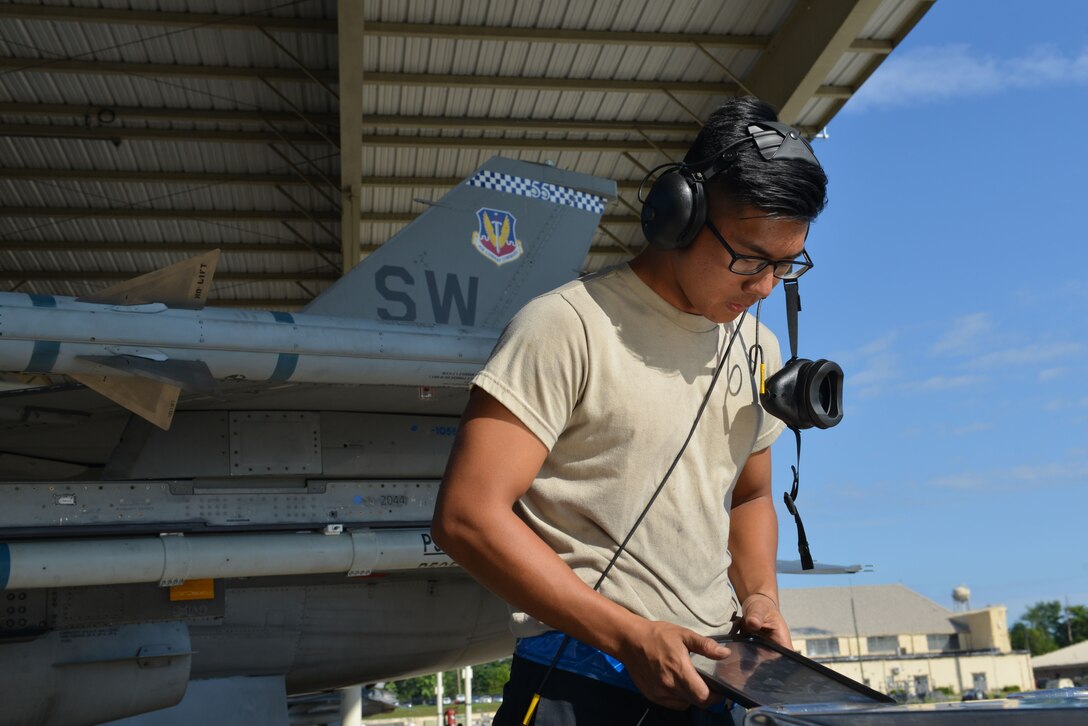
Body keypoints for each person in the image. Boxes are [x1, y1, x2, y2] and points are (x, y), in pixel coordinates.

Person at [433, 96, 828, 725]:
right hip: (577, 680)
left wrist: (760, 595)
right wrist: (627, 637)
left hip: (708, 685)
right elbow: (466, 516)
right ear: (681, 215)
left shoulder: (758, 345)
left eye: (786, 266)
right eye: (750, 259)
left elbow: (750, 497)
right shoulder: (564, 326)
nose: (763, 287)